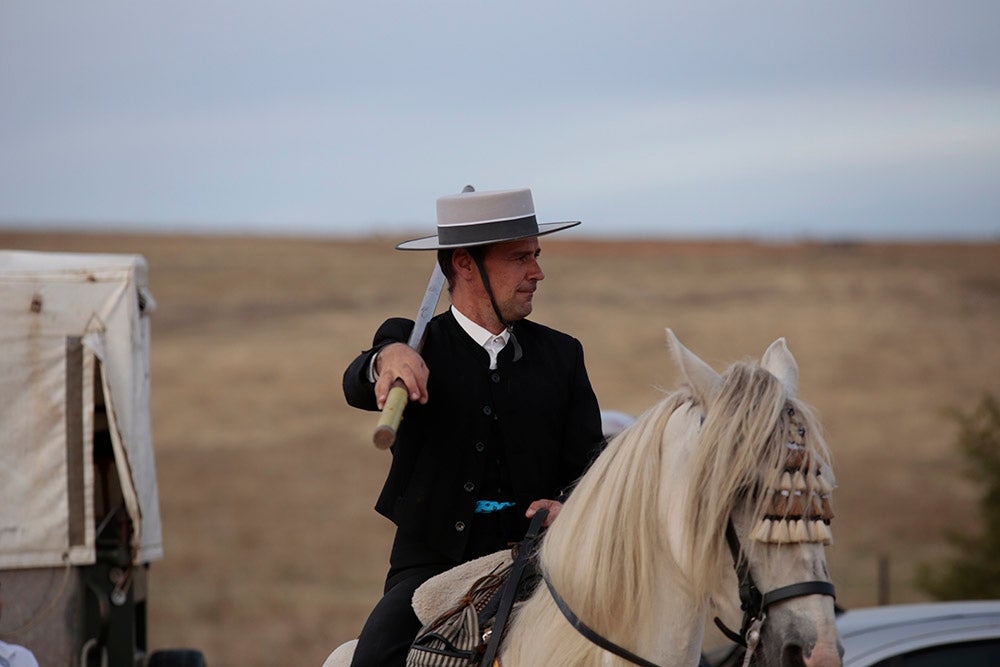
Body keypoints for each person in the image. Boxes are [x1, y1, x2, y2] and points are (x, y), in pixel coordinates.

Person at [342, 185, 605, 666]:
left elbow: (591, 463)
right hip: (431, 565)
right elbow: (358, 381)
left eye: (536, 256)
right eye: (520, 258)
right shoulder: (413, 347)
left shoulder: (563, 355)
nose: (537, 272)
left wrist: (569, 503)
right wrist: (385, 359)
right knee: (374, 657)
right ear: (465, 264)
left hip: (543, 561)